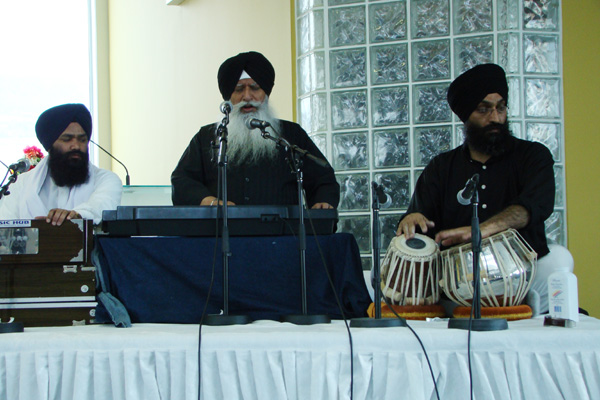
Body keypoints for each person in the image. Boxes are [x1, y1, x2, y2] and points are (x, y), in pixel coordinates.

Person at [396, 63, 573, 314]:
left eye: (500, 107)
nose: (495, 118)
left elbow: (533, 207)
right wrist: (411, 219)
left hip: (524, 271)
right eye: (483, 109)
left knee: (559, 259)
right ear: (466, 116)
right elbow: (420, 219)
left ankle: (527, 311)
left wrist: (478, 231)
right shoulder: (441, 167)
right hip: (460, 279)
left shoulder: (533, 156)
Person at [171, 51, 339, 209]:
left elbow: (323, 179)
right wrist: (208, 201)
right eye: (239, 89)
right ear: (229, 96)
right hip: (223, 229)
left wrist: (322, 202)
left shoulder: (291, 134)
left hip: (283, 229)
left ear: (265, 93)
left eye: (255, 88)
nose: (247, 96)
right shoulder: (206, 137)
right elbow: (181, 180)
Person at [0, 103, 122, 225]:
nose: (76, 146)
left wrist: (76, 215)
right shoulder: (21, 185)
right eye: (67, 139)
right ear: (50, 145)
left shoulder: (105, 180)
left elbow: (100, 206)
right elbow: (5, 227)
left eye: (82, 140)